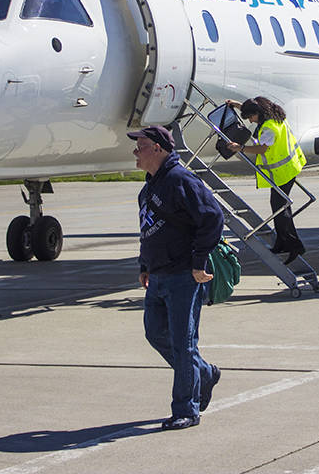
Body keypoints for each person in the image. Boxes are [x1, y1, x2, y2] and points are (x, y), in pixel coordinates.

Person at [130, 124, 224, 430]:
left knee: (184, 344)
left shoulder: (180, 180)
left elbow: (212, 217)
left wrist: (198, 261)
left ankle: (186, 409)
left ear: (157, 149)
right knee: (155, 333)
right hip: (157, 276)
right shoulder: (148, 188)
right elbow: (148, 230)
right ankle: (204, 374)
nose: (135, 152)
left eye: (140, 146)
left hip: (183, 276)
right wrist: (144, 264)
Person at [226, 96, 307, 264]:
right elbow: (256, 109)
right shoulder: (273, 116)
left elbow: (262, 149)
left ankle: (294, 246)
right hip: (289, 168)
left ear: (258, 113)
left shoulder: (269, 128)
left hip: (282, 172)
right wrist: (237, 105)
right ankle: (282, 243)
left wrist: (240, 148)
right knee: (279, 207)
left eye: (250, 117)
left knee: (280, 209)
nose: (250, 120)